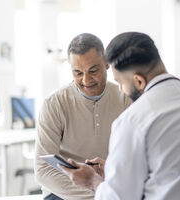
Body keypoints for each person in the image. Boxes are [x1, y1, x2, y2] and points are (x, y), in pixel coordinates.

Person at [60, 32, 180, 199]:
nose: (120, 89)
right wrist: (116, 170)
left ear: (139, 81)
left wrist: (92, 181)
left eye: (120, 82)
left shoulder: (133, 120)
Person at [34, 33, 131, 200]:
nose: (86, 80)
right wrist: (95, 193)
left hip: (109, 188)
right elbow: (43, 170)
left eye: (93, 70)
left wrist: (104, 189)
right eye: (78, 73)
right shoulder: (53, 104)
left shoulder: (126, 99)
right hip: (64, 194)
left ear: (106, 63)